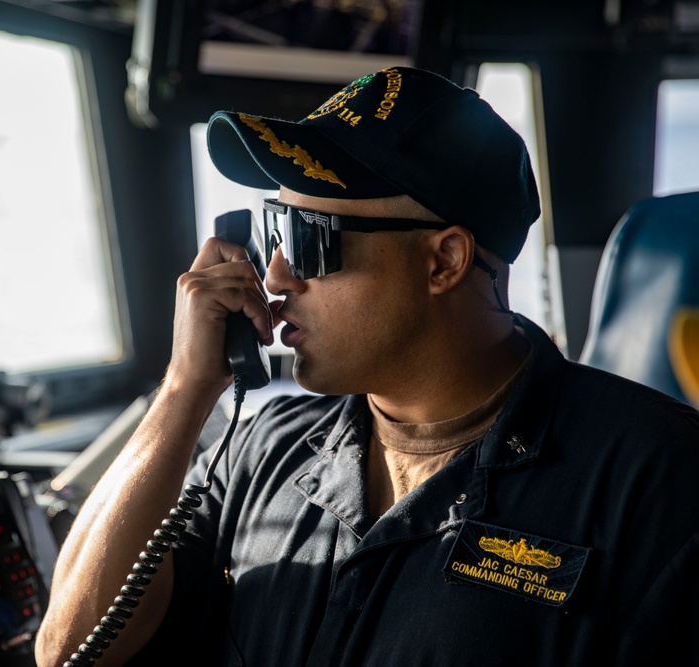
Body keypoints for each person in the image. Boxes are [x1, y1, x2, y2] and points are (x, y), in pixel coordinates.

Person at [35, 67, 699, 667]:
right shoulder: (262, 448)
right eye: (273, 232)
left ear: (444, 260)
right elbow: (68, 651)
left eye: (307, 240)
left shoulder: (660, 479)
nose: (273, 276)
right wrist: (183, 391)